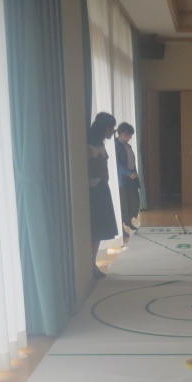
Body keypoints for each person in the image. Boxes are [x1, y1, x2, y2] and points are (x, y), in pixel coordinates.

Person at [88, 112, 118, 278]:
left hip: (102, 189)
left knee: (99, 230)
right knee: (94, 229)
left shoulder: (100, 143)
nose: (112, 132)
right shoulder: (88, 145)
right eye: (112, 128)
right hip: (92, 191)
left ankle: (93, 263)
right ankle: (90, 265)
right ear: (105, 128)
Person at [115, 122, 141, 237]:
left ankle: (129, 221)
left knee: (134, 200)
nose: (130, 137)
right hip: (123, 179)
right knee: (124, 203)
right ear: (124, 133)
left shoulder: (127, 145)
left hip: (132, 178)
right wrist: (128, 172)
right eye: (129, 135)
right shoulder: (116, 145)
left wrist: (134, 173)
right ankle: (122, 227)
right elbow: (117, 164)